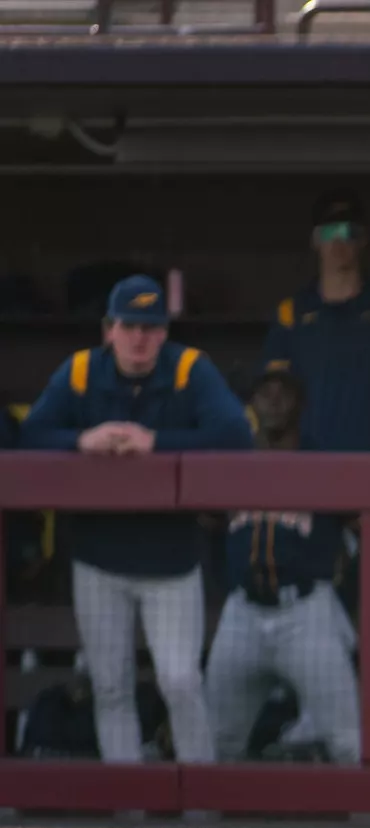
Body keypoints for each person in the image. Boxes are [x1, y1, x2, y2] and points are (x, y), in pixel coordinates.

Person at [20, 275, 254, 764]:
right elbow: (32, 433)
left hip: (170, 562)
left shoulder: (189, 368)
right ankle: (126, 801)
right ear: (109, 329)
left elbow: (236, 434)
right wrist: (80, 441)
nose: (139, 338)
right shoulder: (81, 371)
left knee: (181, 681)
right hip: (98, 559)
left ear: (164, 332)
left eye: (150, 327)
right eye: (129, 326)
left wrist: (157, 442)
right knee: (110, 686)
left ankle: (200, 797)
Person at [205, 369, 361, 765]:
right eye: (264, 393)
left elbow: (362, 527)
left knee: (348, 743)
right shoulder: (233, 462)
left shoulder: (323, 464)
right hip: (242, 614)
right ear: (251, 403)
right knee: (216, 743)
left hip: (305, 612)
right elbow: (206, 524)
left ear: (300, 404)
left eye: (283, 393)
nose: (273, 401)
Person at [261, 189, 370, 452]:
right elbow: (273, 395)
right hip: (307, 462)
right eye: (329, 232)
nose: (338, 241)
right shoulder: (290, 314)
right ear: (315, 240)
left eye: (348, 231)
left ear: (363, 239)